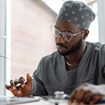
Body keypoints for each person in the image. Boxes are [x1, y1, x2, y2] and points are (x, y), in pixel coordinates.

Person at [5, 0, 105, 104]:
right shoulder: (46, 65)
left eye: (68, 35)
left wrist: (102, 89)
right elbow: (39, 98)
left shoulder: (102, 55)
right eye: (57, 32)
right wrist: (26, 95)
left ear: (85, 34)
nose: (59, 40)